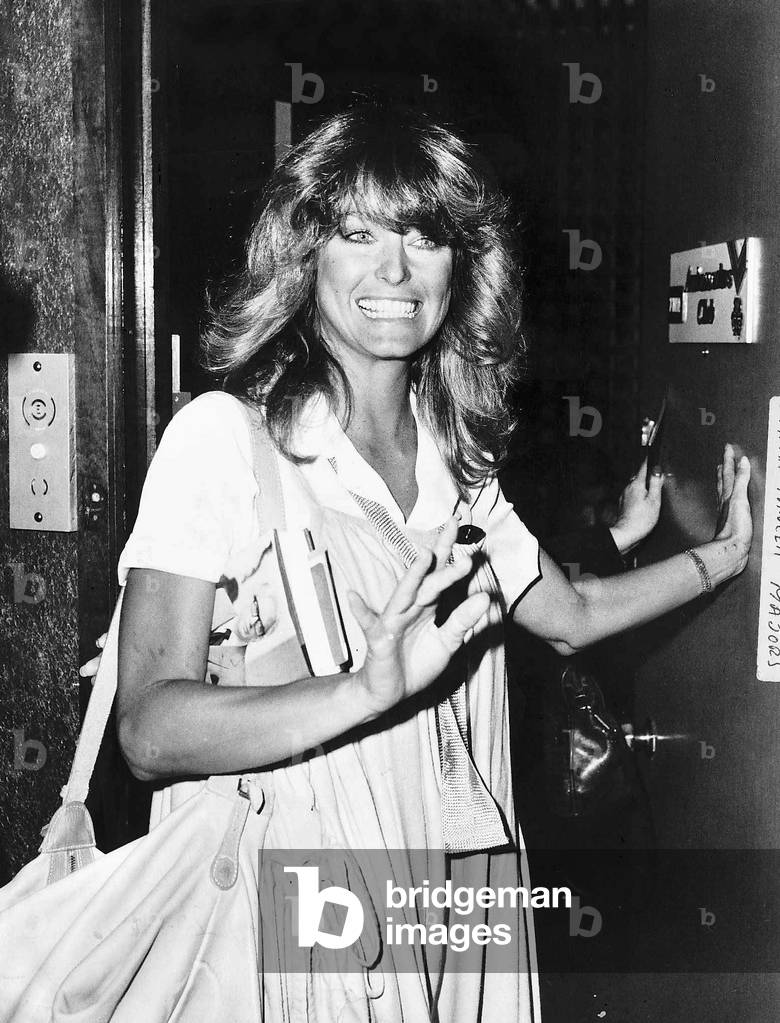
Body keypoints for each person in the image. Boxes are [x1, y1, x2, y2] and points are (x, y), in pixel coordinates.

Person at [104, 102, 751, 1021]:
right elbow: (149, 729)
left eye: (424, 235)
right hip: (314, 890)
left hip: (457, 872)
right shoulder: (223, 442)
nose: (394, 270)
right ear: (305, 254)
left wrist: (726, 560)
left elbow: (572, 618)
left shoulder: (460, 463)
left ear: (461, 267)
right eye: (357, 232)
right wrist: (364, 690)